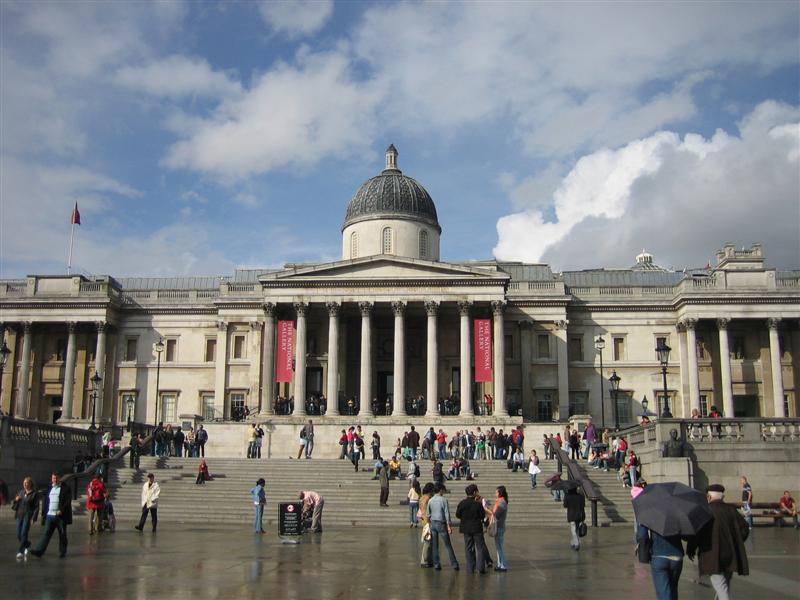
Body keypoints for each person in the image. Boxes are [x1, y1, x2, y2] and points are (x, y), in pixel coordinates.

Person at [687, 484, 749, 600]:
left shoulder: (705, 511)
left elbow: (696, 533)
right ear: (723, 497)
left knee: (721, 588)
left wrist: (691, 549)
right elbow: (744, 529)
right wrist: (736, 542)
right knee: (724, 585)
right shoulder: (731, 510)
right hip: (731, 555)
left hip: (712, 554)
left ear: (709, 497)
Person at [637, 522, 688, 600]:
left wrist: (644, 554)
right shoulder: (678, 511)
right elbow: (686, 535)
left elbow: (642, 535)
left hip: (659, 555)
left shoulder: (649, 512)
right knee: (673, 590)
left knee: (664, 594)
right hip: (676, 555)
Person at [30, 473, 72, 558]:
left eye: (56, 478)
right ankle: (39, 551)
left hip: (60, 516)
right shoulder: (50, 487)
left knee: (62, 534)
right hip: (50, 515)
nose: (55, 480)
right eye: (53, 478)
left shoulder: (65, 488)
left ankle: (62, 551)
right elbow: (46, 500)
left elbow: (68, 501)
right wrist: (44, 513)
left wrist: (61, 510)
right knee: (46, 534)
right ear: (51, 479)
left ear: (59, 478)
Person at [426, 483, 459, 571]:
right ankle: (454, 563)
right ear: (440, 490)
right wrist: (449, 525)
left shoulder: (431, 500)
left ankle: (437, 564)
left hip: (433, 522)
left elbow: (428, 514)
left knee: (435, 545)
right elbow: (446, 513)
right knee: (448, 545)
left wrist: (429, 523)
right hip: (441, 523)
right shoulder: (443, 500)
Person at [456, 484, 487, 574]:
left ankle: (470, 567)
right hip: (477, 528)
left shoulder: (462, 503)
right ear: (474, 492)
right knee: (480, 547)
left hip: (466, 528)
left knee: (468, 547)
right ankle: (481, 567)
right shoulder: (477, 504)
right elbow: (482, 515)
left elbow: (458, 515)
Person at [13, 476, 39, 560]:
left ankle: (20, 551)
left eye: (26, 483)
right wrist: (16, 499)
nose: (25, 484)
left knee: (24, 533)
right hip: (19, 515)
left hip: (28, 516)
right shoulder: (21, 492)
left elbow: (36, 507)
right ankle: (27, 544)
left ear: (30, 484)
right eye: (24, 483)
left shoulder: (34, 494)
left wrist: (34, 518)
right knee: (18, 534)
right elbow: (15, 503)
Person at [485, 486, 508, 572]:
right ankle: (500, 564)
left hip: (499, 526)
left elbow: (496, 515)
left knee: (500, 547)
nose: (495, 494)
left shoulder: (501, 502)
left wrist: (487, 509)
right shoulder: (499, 501)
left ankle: (503, 565)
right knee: (498, 547)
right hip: (498, 526)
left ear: (500, 493)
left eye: (496, 492)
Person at [419, 482, 435, 568]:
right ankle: (425, 560)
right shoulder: (428, 498)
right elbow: (427, 511)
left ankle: (427, 559)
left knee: (428, 541)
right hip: (428, 521)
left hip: (424, 521)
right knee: (428, 542)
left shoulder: (421, 497)